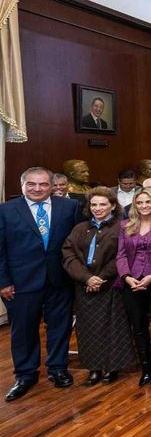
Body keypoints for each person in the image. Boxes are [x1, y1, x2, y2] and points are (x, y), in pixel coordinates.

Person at [1, 167, 83, 401]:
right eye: (31, 184)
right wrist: (3, 281)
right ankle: (25, 374)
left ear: (52, 186)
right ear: (23, 185)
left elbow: (78, 243)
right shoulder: (5, 210)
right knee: (23, 330)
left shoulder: (70, 208)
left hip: (60, 280)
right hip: (20, 283)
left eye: (43, 184)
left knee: (60, 326)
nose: (37, 188)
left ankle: (58, 368)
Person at [62, 187, 133, 385]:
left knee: (112, 328)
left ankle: (112, 368)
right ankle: (93, 369)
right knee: (88, 330)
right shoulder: (79, 228)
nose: (97, 208)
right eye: (94, 204)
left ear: (113, 205)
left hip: (111, 285)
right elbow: (68, 255)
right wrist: (87, 278)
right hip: (84, 287)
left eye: (103, 204)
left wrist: (100, 278)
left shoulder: (123, 227)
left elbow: (122, 256)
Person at [117, 188, 151, 386]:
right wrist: (127, 277)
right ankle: (146, 368)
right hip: (132, 282)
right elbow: (121, 255)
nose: (144, 206)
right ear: (134, 205)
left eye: (148, 202)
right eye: (140, 203)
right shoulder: (125, 225)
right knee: (138, 326)